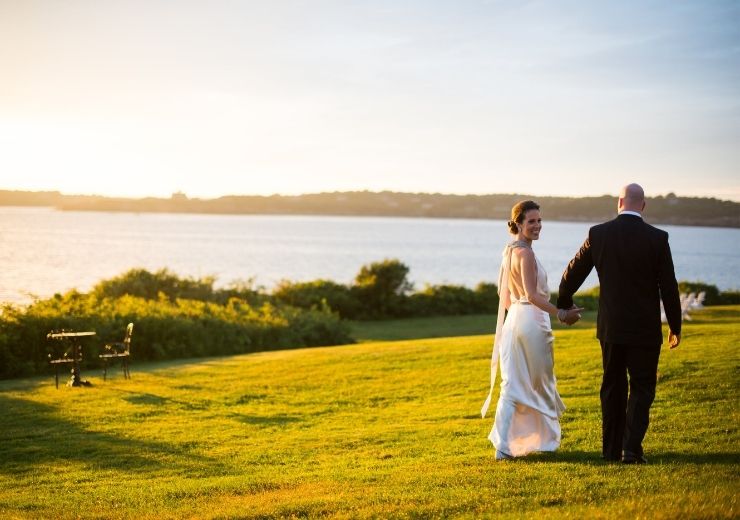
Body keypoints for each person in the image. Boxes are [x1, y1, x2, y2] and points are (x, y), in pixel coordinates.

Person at [557, 183, 682, 464]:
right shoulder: (658, 238)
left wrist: (564, 303)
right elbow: (669, 287)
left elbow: (572, 272)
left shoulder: (598, 234)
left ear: (619, 202)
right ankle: (631, 449)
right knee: (642, 387)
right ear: (643, 205)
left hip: (611, 328)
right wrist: (675, 326)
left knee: (612, 386)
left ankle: (610, 451)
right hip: (645, 330)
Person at [482, 200, 582, 460]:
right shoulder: (525, 253)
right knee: (540, 383)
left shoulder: (509, 251)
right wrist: (560, 313)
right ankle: (542, 441)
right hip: (531, 321)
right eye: (531, 221)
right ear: (518, 224)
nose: (537, 226)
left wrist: (517, 313)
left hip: (514, 319)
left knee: (513, 383)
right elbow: (531, 295)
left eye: (539, 220)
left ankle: (504, 447)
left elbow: (504, 297)